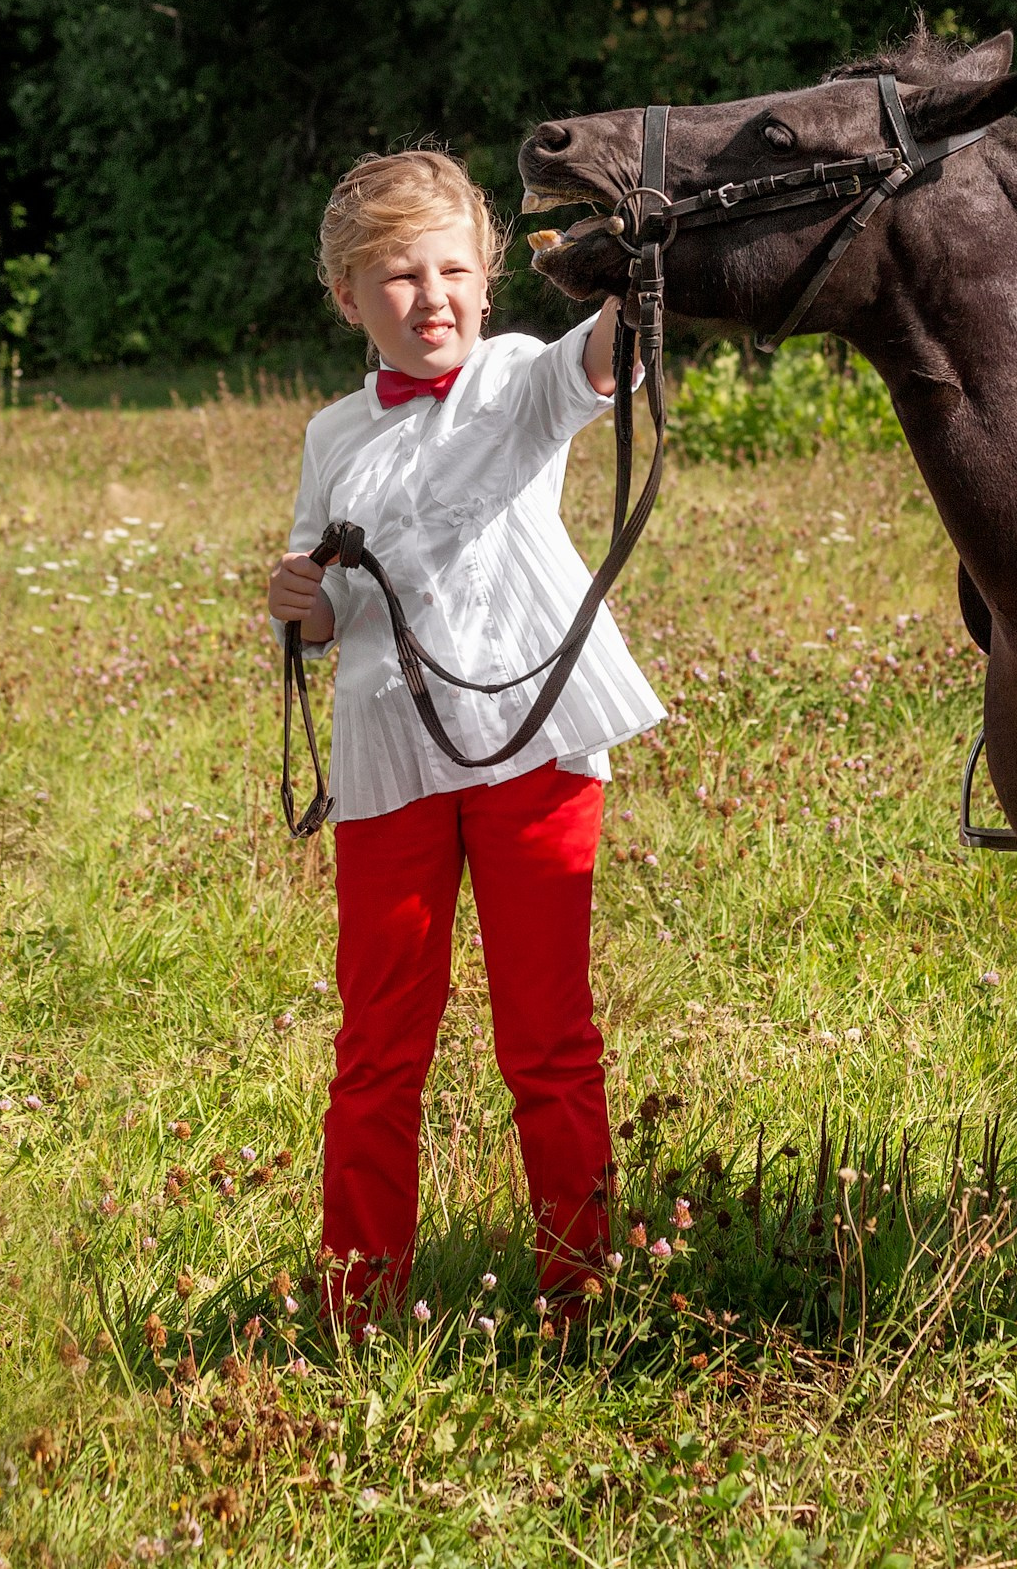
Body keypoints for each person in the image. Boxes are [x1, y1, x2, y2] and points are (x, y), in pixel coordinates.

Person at [265, 148, 661, 1330]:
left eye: (450, 271)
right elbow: (332, 611)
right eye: (396, 277)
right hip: (393, 755)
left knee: (546, 1033)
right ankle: (358, 1301)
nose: (428, 298)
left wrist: (629, 278)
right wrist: (305, 602)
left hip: (532, 742)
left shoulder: (519, 379)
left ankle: (582, 1296)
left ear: (488, 282)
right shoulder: (333, 433)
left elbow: (603, 362)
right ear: (349, 300)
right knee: (379, 1041)